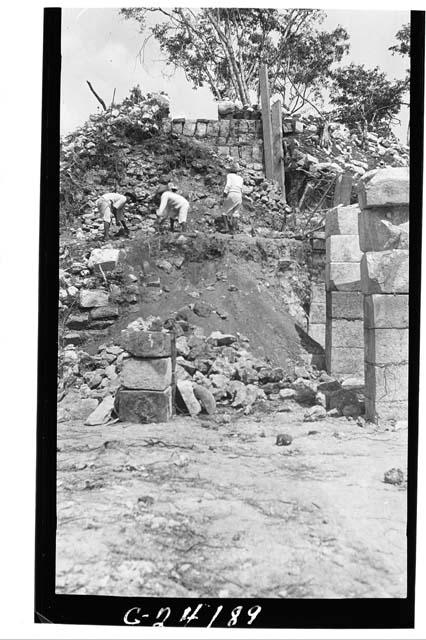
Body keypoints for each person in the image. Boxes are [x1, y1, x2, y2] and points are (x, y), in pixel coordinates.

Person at [222, 163, 243, 234]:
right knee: (235, 213)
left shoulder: (229, 176)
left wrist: (224, 194)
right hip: (239, 195)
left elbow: (228, 185)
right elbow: (241, 188)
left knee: (224, 211)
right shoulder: (240, 178)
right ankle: (234, 229)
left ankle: (226, 227)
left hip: (232, 194)